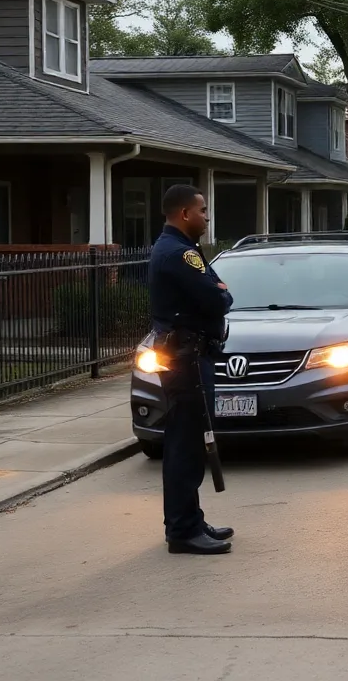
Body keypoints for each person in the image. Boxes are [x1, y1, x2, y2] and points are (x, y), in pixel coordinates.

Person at [147, 184, 234, 555]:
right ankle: (182, 530)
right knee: (185, 445)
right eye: (202, 210)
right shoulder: (179, 254)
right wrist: (221, 292)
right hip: (185, 360)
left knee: (193, 443)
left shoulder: (180, 249)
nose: (207, 216)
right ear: (185, 214)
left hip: (190, 356)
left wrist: (218, 291)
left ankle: (191, 519)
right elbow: (219, 298)